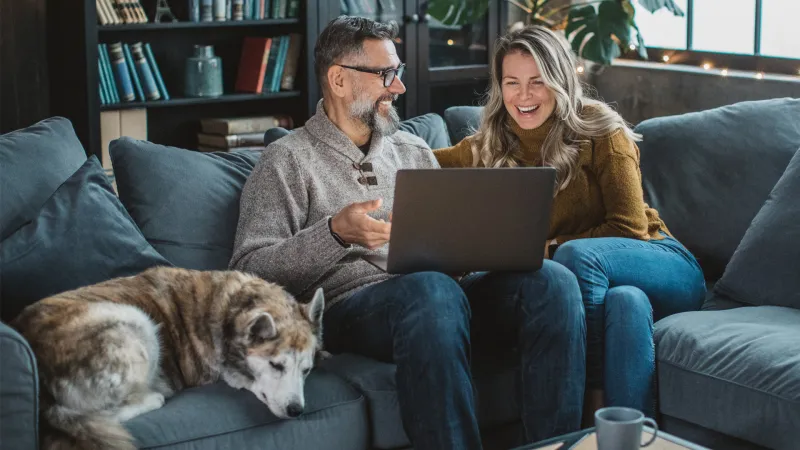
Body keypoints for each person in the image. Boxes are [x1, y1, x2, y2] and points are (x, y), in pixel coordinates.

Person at [230, 15, 586, 450]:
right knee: (431, 291)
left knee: (552, 281)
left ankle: (557, 447)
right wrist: (335, 233)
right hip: (353, 309)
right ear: (339, 79)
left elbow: (450, 247)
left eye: (397, 73)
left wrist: (476, 250)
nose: (397, 87)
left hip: (441, 295)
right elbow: (249, 272)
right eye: (385, 75)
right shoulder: (285, 160)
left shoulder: (413, 150)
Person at [433, 25, 706, 420]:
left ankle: (587, 407)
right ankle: (627, 437)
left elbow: (630, 227)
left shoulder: (600, 130)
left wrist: (551, 247)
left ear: (559, 80)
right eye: (512, 82)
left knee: (577, 257)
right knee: (626, 304)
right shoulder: (489, 143)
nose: (523, 96)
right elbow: (419, 165)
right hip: (615, 288)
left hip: (663, 262)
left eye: (537, 82)